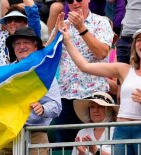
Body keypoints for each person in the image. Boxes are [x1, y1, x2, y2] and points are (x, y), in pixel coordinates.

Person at [59, 13, 141, 155]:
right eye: (138, 39)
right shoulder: (123, 69)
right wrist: (67, 39)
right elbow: (85, 66)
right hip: (121, 131)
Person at [0, 27, 62, 155]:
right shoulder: (6, 72)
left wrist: (43, 108)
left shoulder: (44, 72)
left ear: (35, 47)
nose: (21, 46)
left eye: (26, 42)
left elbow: (56, 105)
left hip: (35, 133)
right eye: (17, 43)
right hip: (9, 133)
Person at [47, 0, 114, 143]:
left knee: (97, 146)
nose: (75, 3)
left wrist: (81, 28)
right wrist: (55, 34)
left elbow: (102, 52)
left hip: (94, 97)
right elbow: (46, 57)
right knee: (64, 148)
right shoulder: (63, 24)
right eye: (70, 0)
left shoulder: (101, 22)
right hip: (66, 96)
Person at [0, 0, 41, 66]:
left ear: (25, 23)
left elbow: (33, 10)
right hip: (4, 75)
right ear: (6, 24)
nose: (13, 23)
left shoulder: (32, 33)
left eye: (17, 19)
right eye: (9, 20)